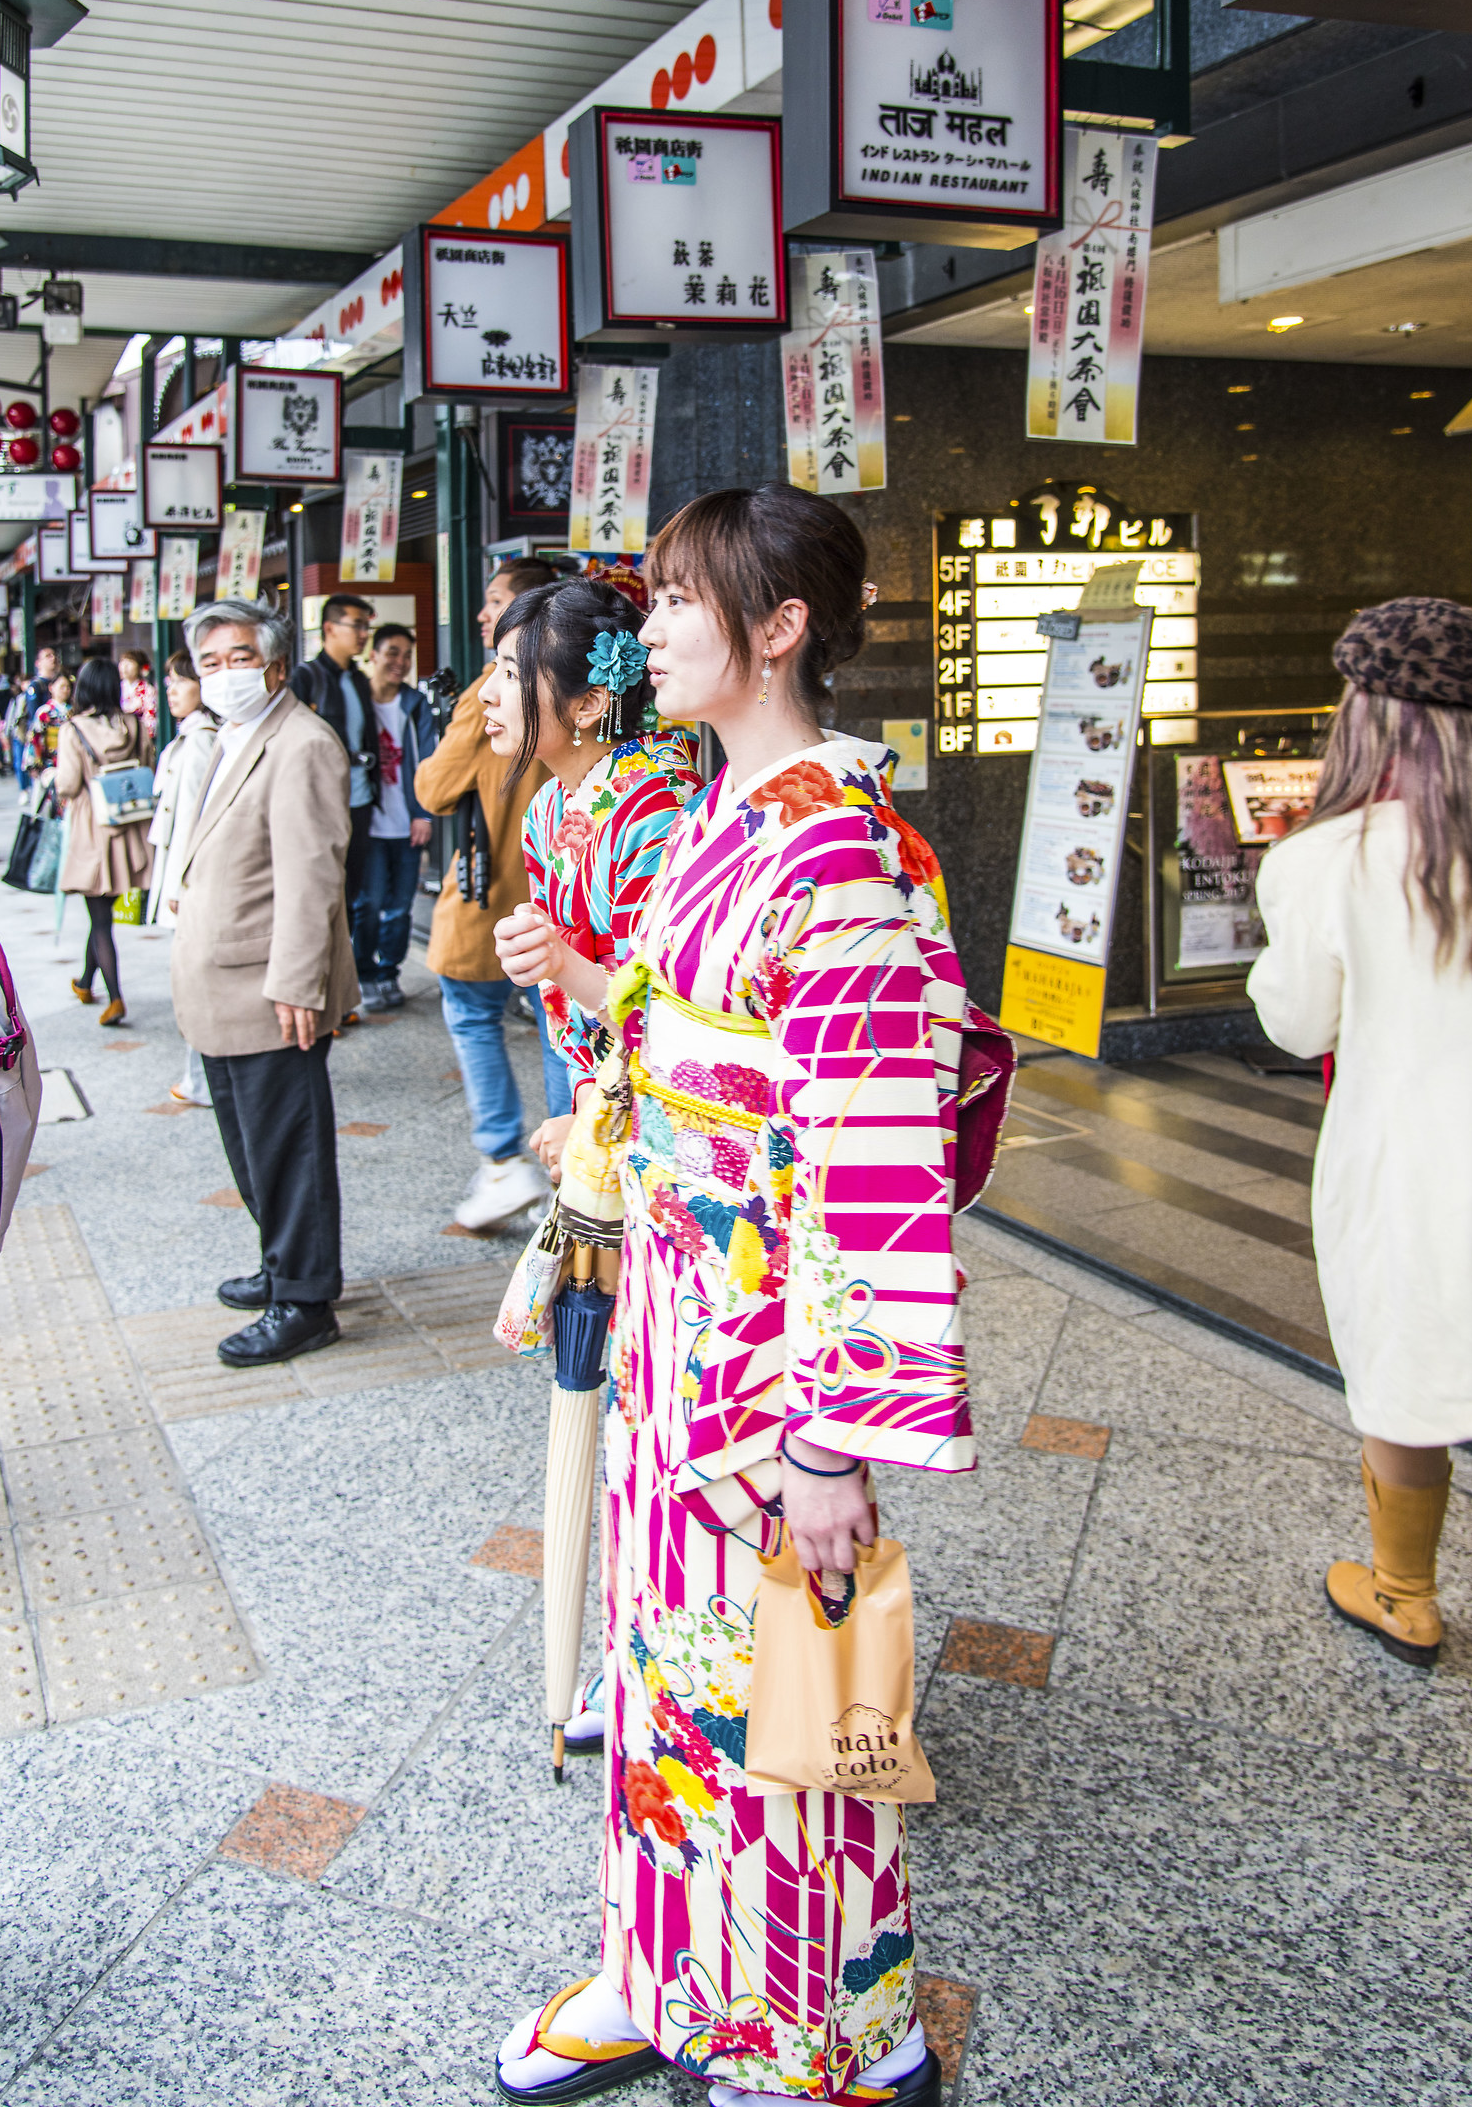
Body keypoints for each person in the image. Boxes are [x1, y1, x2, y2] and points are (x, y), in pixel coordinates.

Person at [495, 485, 970, 2107]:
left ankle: (830, 2033)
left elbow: (881, 1163)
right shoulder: (725, 819)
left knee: (778, 1714)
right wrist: (566, 1222)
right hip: (682, 1338)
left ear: (780, 631)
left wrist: (839, 1439)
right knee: (670, 1687)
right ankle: (664, 1967)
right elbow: (651, 1056)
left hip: (775, 1380)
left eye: (689, 602)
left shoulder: (834, 847)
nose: (655, 632)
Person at [1248, 595, 1472, 1817]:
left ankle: (1404, 1594)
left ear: (1365, 717)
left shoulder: (1324, 861)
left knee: (1403, 1361)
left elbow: (1298, 1022)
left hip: (1405, 1167)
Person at [170, 597, 358, 1368]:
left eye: (237, 659)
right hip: (220, 981)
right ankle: (284, 1264)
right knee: (249, 1145)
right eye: (208, 663)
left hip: (268, 987)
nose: (222, 676)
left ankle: (305, 1299)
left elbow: (311, 874)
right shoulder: (227, 737)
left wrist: (297, 984)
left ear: (275, 665)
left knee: (286, 1148)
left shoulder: (301, 743)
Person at [487, 576, 700, 1177]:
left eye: (510, 673)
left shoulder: (655, 810)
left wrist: (553, 959)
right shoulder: (551, 805)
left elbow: (662, 1009)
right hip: (593, 1069)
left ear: (588, 704)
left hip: (654, 1091)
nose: (488, 694)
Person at [414, 559, 572, 1233]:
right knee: (564, 1027)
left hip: (496, 898)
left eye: (496, 602)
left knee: (479, 1013)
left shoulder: (494, 693)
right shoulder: (574, 685)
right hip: (562, 897)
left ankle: (509, 1163)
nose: (484, 615)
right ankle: (574, 1171)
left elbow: (432, 788)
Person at [55, 657, 154, 1028]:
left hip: (93, 833)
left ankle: (114, 998)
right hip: (127, 834)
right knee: (102, 916)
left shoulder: (73, 730)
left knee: (100, 922)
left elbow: (67, 784)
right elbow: (147, 767)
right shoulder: (133, 724)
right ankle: (84, 981)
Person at [147, 649, 221, 1106]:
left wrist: (180, 887)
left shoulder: (199, 742)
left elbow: (195, 823)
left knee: (196, 979)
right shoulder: (193, 737)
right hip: (183, 879)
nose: (172, 690)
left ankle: (201, 1080)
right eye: (170, 682)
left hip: (189, 883)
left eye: (180, 681)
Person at [355, 622, 436, 1015]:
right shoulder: (355, 699)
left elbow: (427, 760)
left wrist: (424, 814)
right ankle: (365, 974)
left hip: (406, 823)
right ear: (372, 653)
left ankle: (388, 971)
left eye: (406, 655)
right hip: (366, 824)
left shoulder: (413, 703)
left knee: (400, 906)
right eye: (392, 653)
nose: (400, 662)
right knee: (367, 903)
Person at [289, 592, 379, 930]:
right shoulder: (307, 678)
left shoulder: (358, 679)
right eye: (356, 625)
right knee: (323, 891)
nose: (363, 634)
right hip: (323, 802)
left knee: (353, 890)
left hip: (361, 799)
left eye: (366, 627)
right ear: (329, 627)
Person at [119, 649, 158, 742]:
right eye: (122, 662)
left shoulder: (147, 690)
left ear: (140, 668)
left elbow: (150, 719)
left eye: (129, 663)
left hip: (138, 737)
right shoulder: (117, 688)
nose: (124, 667)